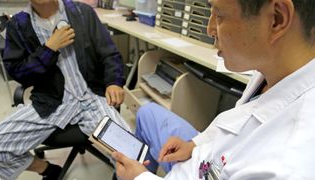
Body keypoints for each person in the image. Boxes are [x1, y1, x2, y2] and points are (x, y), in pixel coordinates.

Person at [112, 0, 315, 179]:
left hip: (201, 169)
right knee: (147, 113)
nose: (210, 29)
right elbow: (238, 122)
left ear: (276, 19)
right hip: (203, 158)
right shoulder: (275, 68)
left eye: (219, 15)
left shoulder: (287, 165)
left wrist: (140, 178)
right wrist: (195, 143)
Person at [0, 0, 130, 179]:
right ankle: (47, 170)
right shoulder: (18, 25)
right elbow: (19, 73)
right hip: (51, 101)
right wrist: (49, 49)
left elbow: (109, 53)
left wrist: (114, 82)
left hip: (91, 98)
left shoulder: (83, 13)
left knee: (131, 155)